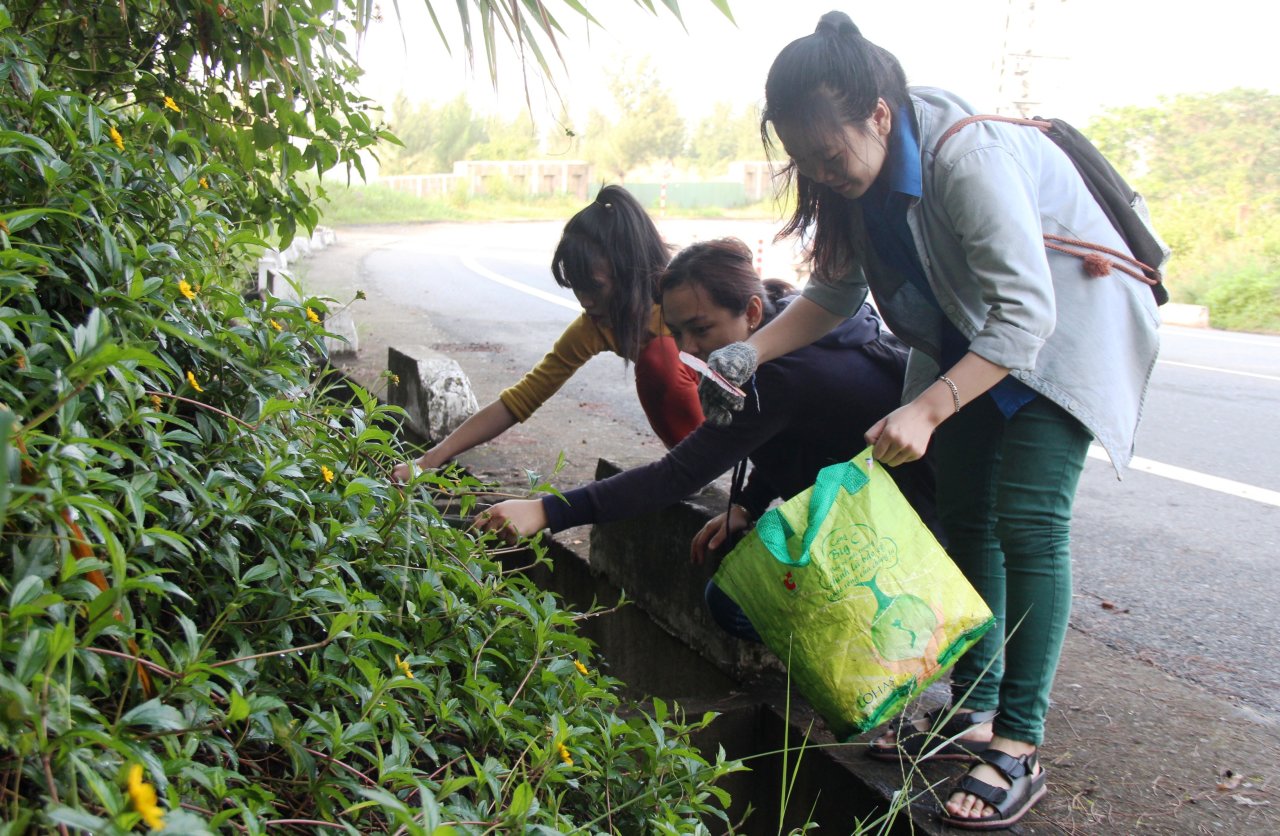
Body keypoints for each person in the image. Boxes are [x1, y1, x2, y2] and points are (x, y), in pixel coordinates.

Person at [693, 12, 1161, 830]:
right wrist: (748, 355)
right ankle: (973, 705)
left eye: (829, 157)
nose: (822, 175)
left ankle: (1017, 743)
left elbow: (1026, 315)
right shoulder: (847, 177)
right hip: (965, 331)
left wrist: (932, 403)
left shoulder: (963, 157)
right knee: (969, 513)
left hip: (1061, 326)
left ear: (879, 113)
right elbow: (835, 296)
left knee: (1028, 521)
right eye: (804, 161)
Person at [474, 237, 938, 629]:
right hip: (870, 502)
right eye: (676, 332)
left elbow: (676, 476)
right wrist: (748, 504)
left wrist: (546, 510)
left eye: (700, 329)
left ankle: (867, 648)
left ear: (751, 311)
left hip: (915, 529)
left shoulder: (779, 374)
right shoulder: (786, 319)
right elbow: (798, 435)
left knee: (733, 604)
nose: (688, 349)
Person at [391, 185, 702, 483]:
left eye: (594, 287)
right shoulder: (597, 325)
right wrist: (428, 461)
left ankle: (700, 465)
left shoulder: (685, 298)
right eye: (577, 287)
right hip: (711, 427)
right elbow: (521, 399)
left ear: (628, 270)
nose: (585, 300)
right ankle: (693, 464)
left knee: (657, 360)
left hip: (741, 409)